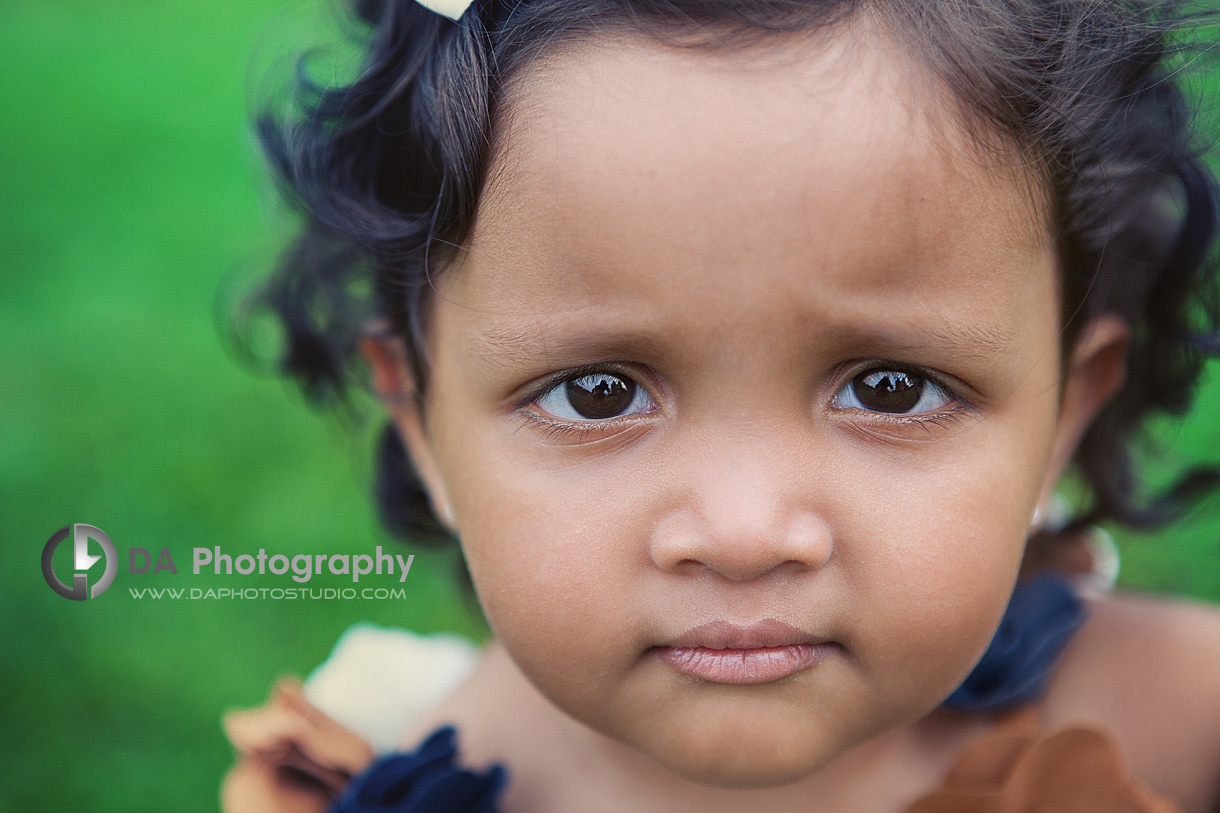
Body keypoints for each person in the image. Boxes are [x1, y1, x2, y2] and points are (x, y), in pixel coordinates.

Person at [220, 0, 1220, 809]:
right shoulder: (368, 779)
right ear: (421, 424)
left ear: (1061, 418)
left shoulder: (1184, 720)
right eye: (596, 393)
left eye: (889, 387)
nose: (744, 533)